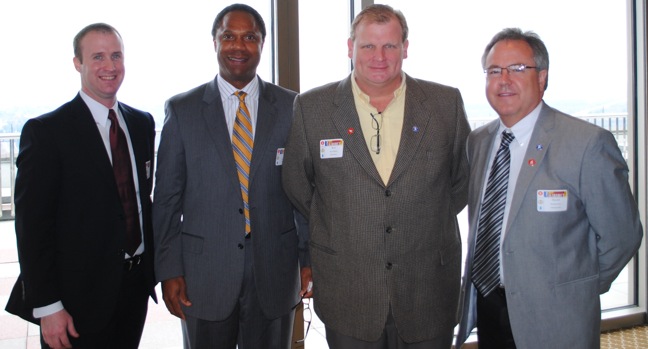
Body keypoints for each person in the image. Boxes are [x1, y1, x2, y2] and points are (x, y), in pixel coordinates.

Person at [281, 4, 470, 349]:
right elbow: (297, 184)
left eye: (390, 46)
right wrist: (342, 219)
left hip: (427, 288)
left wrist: (418, 214)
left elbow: (460, 183)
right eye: (368, 46)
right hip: (348, 290)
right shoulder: (312, 108)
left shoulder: (446, 104)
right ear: (350, 47)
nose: (379, 56)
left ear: (406, 48)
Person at [455, 28, 643, 349]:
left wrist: (574, 288)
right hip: (489, 308)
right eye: (494, 71)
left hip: (556, 318)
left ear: (542, 77)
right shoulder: (479, 142)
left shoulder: (587, 144)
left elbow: (622, 236)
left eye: (517, 69)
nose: (504, 80)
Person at [152, 3, 310, 349]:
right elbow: (166, 199)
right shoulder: (182, 110)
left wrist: (308, 258)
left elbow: (303, 194)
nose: (239, 46)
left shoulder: (292, 107)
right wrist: (168, 270)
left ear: (261, 44)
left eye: (249, 37)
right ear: (214, 42)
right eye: (228, 36)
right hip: (203, 275)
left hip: (275, 271)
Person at [4, 23, 157, 349]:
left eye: (116, 55)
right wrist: (48, 307)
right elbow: (32, 228)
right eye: (98, 56)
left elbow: (142, 202)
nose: (110, 66)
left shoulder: (142, 124)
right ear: (78, 63)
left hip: (133, 289)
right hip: (75, 299)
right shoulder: (47, 132)